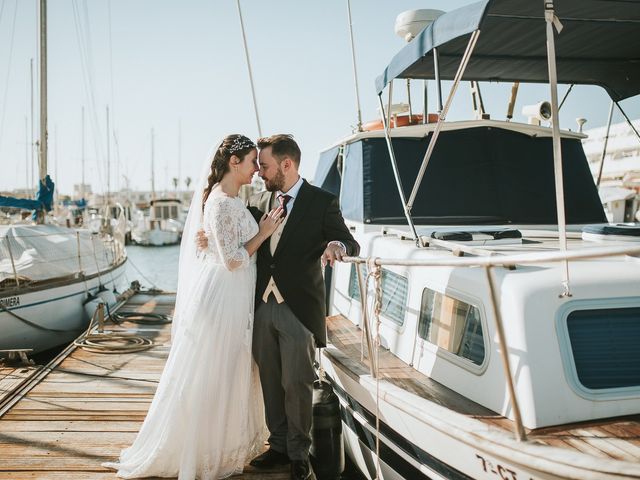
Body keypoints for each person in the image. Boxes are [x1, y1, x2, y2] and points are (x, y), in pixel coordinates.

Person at [103, 134, 284, 479]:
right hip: (222, 297)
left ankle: (217, 444)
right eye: (251, 163)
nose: (255, 170)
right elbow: (232, 260)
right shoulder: (219, 202)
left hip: (236, 296)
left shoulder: (232, 199)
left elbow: (220, 244)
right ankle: (196, 448)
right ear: (234, 162)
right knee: (210, 373)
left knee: (226, 371)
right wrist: (262, 233)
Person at [199, 134, 359, 480]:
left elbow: (349, 240)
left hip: (297, 308)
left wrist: (334, 244)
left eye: (266, 166)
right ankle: (279, 446)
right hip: (260, 305)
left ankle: (301, 454)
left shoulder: (322, 201)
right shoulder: (256, 198)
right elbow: (234, 236)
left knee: (298, 382)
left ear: (287, 165)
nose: (260, 172)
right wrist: (207, 238)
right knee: (269, 380)